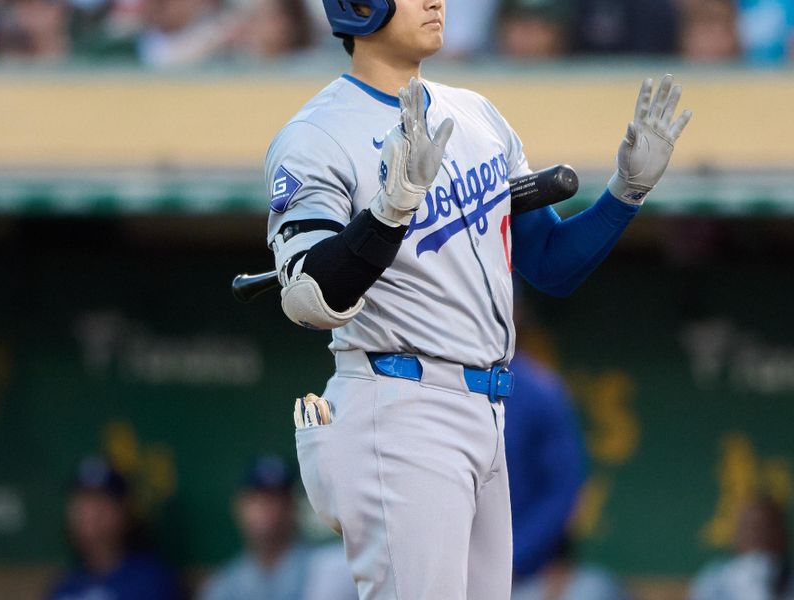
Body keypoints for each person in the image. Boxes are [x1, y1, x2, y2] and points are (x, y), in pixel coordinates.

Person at [264, 0, 692, 597]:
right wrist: (389, 211)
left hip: (485, 408)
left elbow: (547, 264)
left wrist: (626, 193)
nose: (437, 2)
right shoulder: (316, 134)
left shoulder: (478, 114)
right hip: (396, 402)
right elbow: (308, 294)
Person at [199, 455, 357, 600]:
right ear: (238, 506)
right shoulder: (223, 586)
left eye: (276, 498)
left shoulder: (335, 569)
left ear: (293, 506)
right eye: (256, 498)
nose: (265, 508)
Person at [46, 456, 181, 600]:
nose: (90, 514)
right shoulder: (67, 584)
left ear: (124, 512)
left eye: (100, 502)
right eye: (82, 503)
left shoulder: (151, 581)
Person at [505, 349, 586, 582]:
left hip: (529, 572)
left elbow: (563, 490)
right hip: (447, 565)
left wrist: (513, 558)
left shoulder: (535, 388)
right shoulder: (421, 381)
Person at [690, 496, 794, 600]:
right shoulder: (714, 581)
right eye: (751, 529)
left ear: (783, 534)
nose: (759, 536)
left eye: (767, 528)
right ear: (737, 536)